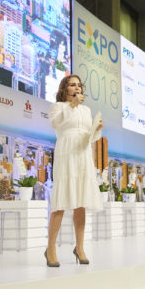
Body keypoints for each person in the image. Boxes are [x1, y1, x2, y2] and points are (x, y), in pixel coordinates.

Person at [46, 75, 104, 267]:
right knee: (60, 204)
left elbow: (89, 136)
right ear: (65, 89)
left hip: (83, 155)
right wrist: (72, 105)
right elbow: (56, 123)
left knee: (81, 203)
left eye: (79, 85)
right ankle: (51, 248)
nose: (77, 88)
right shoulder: (58, 107)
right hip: (66, 154)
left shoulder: (86, 110)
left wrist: (96, 129)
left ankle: (79, 248)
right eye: (72, 85)